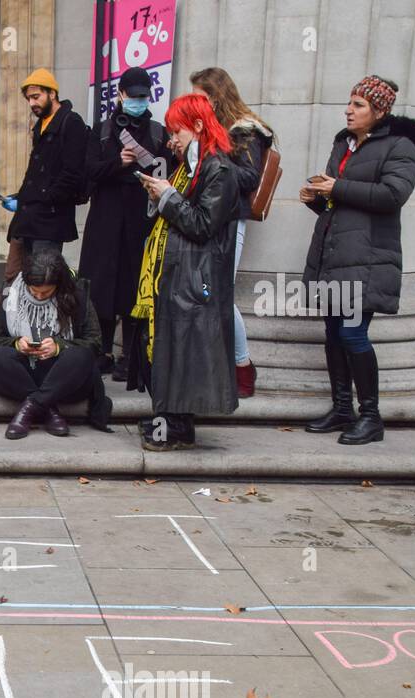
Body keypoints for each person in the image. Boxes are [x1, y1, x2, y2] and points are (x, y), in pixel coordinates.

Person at [301, 76, 415, 445]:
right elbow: (337, 204)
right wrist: (316, 198)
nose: (349, 109)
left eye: (358, 104)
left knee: (353, 333)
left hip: (369, 260)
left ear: (380, 110)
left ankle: (371, 417)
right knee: (333, 333)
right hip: (335, 255)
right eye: (350, 102)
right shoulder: (343, 143)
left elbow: (393, 195)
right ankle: (342, 409)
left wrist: (337, 187)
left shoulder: (400, 147)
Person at [134, 93, 240, 451]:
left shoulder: (219, 169)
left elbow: (201, 224)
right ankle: (168, 423)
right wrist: (160, 195)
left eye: (175, 130)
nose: (170, 139)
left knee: (181, 353)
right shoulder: (191, 165)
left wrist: (166, 196)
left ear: (196, 126)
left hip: (196, 276)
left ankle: (176, 429)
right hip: (179, 273)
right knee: (168, 352)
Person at [77, 66, 173, 381]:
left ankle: (129, 356)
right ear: (120, 95)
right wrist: (118, 163)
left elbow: (166, 176)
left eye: (143, 97)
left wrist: (148, 170)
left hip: (141, 220)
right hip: (104, 220)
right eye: (133, 97)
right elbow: (89, 171)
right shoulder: (103, 130)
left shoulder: (159, 133)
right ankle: (102, 350)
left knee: (135, 286)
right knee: (101, 286)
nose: (138, 102)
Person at [191, 67, 274, 399]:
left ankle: (242, 366)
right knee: (208, 294)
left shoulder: (244, 131)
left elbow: (248, 177)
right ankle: (222, 366)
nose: (195, 102)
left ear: (215, 95)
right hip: (207, 219)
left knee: (221, 294)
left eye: (200, 95)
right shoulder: (217, 130)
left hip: (228, 222)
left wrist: (209, 156)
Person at [0, 248, 112, 439]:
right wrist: (16, 344)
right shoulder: (11, 292)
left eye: (46, 292)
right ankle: (48, 411)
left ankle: (29, 409)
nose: (38, 296)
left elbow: (94, 342)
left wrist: (59, 347)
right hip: (23, 375)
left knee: (80, 356)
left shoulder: (77, 293)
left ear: (59, 284)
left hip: (64, 378)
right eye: (33, 291)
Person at [2, 69, 90, 284]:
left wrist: (45, 198)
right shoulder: (42, 124)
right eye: (29, 99)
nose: (32, 103)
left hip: (49, 219)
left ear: (52, 93)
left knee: (44, 280)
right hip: (28, 217)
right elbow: (35, 172)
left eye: (36, 96)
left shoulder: (71, 122)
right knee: (14, 279)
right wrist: (21, 197)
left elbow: (72, 172)